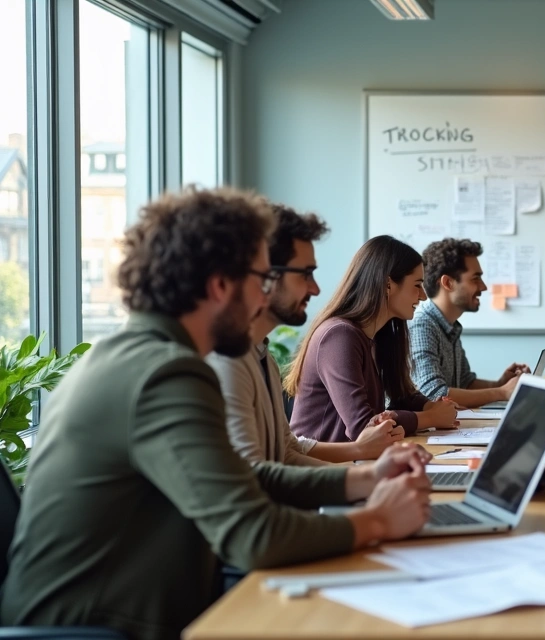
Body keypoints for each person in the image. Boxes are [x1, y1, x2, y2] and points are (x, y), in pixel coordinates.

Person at [0, 188, 433, 640]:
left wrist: (365, 479)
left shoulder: (138, 355)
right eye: (262, 279)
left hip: (118, 616)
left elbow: (243, 478)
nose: (264, 297)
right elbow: (252, 534)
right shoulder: (165, 374)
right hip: (95, 630)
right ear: (220, 285)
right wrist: (378, 520)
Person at [207, 204, 404, 466]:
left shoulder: (264, 357)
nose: (315, 289)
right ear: (264, 275)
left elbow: (287, 451)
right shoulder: (227, 362)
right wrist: (367, 479)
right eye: (305, 274)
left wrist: (366, 469)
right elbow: (258, 476)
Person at [286, 235, 458, 442]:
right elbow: (363, 428)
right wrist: (430, 418)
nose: (423, 296)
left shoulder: (380, 334)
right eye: (417, 285)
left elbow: (401, 395)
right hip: (323, 467)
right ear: (388, 285)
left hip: (356, 462)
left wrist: (431, 405)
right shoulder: (339, 336)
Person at [410, 238, 529, 406]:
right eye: (475, 279)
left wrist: (501, 384)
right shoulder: (422, 325)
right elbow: (433, 393)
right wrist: (501, 392)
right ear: (448, 283)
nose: (483, 287)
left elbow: (465, 383)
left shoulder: (450, 326)